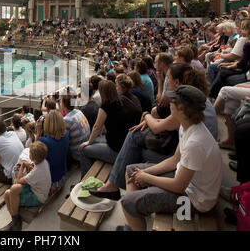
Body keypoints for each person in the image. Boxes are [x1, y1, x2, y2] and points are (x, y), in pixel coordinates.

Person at [90, 63, 218, 201]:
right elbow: (161, 121)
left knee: (135, 144)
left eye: (167, 78)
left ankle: (117, 187)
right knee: (136, 136)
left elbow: (158, 126)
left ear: (176, 82)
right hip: (188, 156)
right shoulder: (193, 100)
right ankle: (121, 189)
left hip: (190, 166)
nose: (166, 80)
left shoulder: (186, 107)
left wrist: (146, 116)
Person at [118, 85, 222, 231]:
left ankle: (133, 210)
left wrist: (147, 177)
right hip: (186, 181)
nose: (168, 102)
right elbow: (174, 160)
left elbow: (179, 186)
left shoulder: (195, 143)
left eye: (172, 101)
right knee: (131, 171)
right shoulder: (187, 125)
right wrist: (144, 174)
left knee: (126, 202)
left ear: (181, 110)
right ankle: (135, 216)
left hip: (195, 199)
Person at [79, 80, 139, 178]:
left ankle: (84, 179)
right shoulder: (118, 101)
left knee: (84, 150)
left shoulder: (106, 105)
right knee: (92, 142)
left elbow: (97, 127)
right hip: (121, 145)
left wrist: (89, 142)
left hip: (115, 150)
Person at [1, 141, 51, 231]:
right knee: (8, 192)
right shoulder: (44, 162)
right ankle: (14, 220)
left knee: (9, 193)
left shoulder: (37, 171)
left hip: (38, 197)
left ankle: (15, 222)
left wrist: (23, 165)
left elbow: (19, 181)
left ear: (32, 157)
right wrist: (31, 165)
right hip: (37, 189)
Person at [36, 110, 69, 194]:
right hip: (62, 177)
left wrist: (38, 132)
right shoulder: (66, 134)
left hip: (50, 183)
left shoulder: (44, 141)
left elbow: (33, 153)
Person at [60, 93, 91, 164]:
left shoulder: (67, 120)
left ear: (64, 105)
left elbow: (62, 140)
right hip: (86, 148)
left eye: (60, 101)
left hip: (78, 155)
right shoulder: (78, 112)